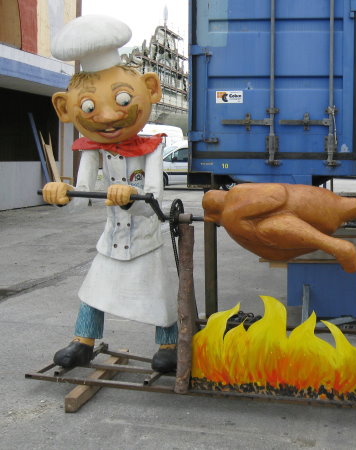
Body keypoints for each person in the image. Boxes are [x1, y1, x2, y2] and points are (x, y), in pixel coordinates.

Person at [41, 15, 178, 373]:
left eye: (121, 99)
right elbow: (83, 197)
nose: (105, 116)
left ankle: (169, 344)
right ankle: (83, 342)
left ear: (150, 89)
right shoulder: (92, 149)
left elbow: (155, 199)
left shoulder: (152, 147)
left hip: (146, 238)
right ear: (65, 108)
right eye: (88, 107)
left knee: (158, 293)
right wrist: (63, 194)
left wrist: (132, 194)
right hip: (111, 238)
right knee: (94, 289)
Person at [203, 184, 356, 273]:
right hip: (318, 205)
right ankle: (335, 246)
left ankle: (336, 246)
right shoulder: (235, 202)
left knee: (266, 229)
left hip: (316, 208)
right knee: (266, 229)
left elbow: (276, 195)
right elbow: (276, 194)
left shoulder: (233, 206)